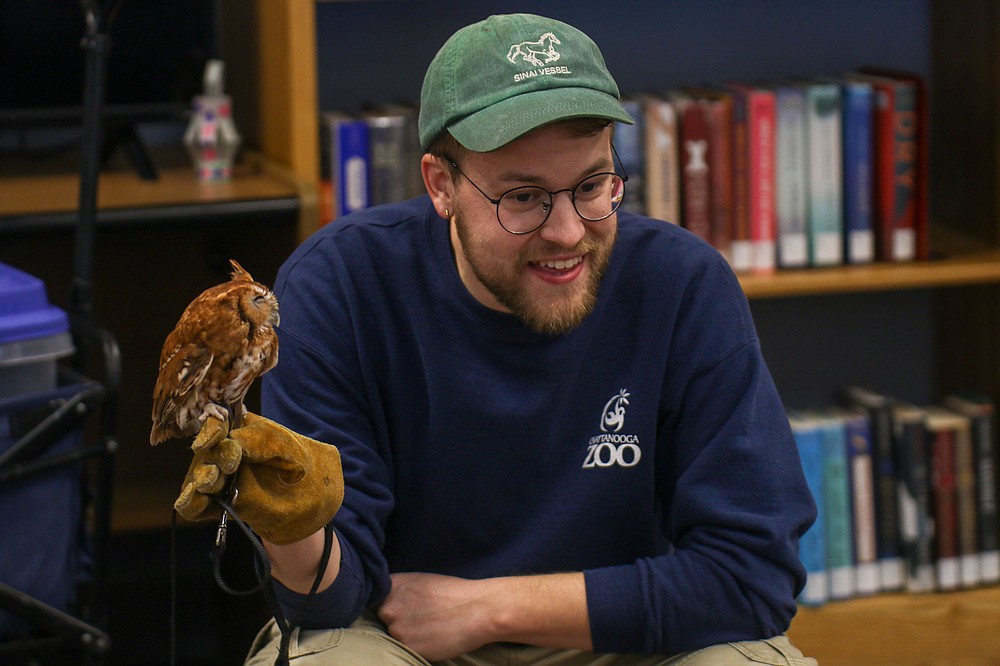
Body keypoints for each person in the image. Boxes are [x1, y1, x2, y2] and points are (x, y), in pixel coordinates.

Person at [176, 13, 818, 666]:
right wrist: (287, 520)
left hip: (618, 633)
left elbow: (753, 579)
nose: (569, 232)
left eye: (594, 187)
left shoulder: (684, 285)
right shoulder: (340, 284)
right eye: (524, 198)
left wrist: (492, 607)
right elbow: (330, 602)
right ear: (441, 185)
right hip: (405, 636)